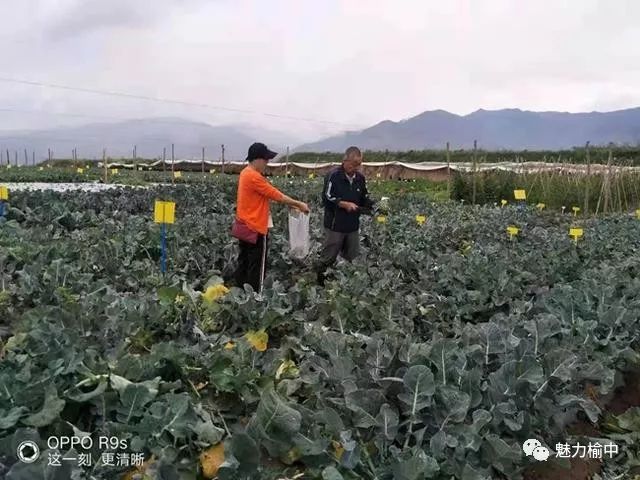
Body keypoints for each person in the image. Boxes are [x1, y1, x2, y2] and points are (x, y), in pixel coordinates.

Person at [232, 142, 309, 293]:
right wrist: (299, 204)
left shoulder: (244, 173)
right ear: (257, 159)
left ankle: (239, 294)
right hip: (255, 228)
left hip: (244, 226)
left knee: (244, 261)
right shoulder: (254, 176)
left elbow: (263, 197)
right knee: (257, 266)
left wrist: (291, 205)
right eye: (266, 159)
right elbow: (275, 194)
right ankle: (254, 297)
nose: (267, 163)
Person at [316, 146, 374, 285]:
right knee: (328, 256)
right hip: (335, 224)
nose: (356, 167)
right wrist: (343, 204)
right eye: (354, 164)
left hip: (352, 224)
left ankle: (346, 284)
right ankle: (320, 284)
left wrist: (374, 205)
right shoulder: (334, 175)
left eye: (359, 164)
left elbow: (364, 197)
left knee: (352, 256)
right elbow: (326, 197)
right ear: (345, 160)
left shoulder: (360, 178)